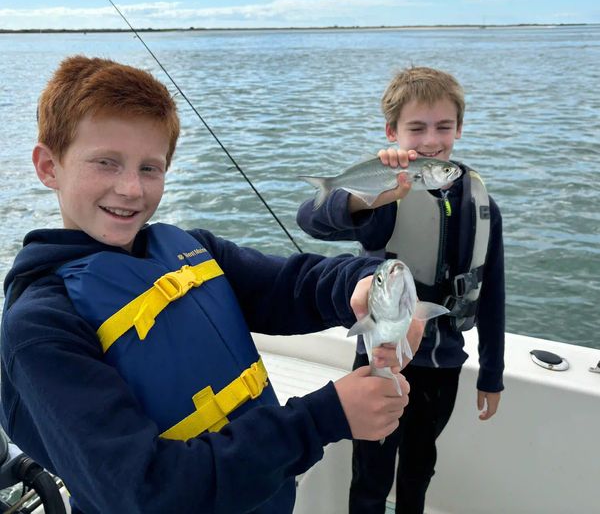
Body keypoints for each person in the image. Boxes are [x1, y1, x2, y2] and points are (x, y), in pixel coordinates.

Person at [0, 55, 421, 514]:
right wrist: (322, 419)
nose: (131, 189)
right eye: (105, 162)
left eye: (150, 168)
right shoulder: (41, 325)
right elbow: (143, 491)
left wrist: (364, 286)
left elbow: (288, 284)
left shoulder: (189, 249)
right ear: (48, 166)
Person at [296, 66, 505, 514]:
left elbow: (493, 293)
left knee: (418, 468)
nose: (431, 141)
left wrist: (492, 373)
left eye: (443, 127)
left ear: (459, 128)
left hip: (443, 363)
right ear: (392, 132)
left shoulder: (482, 201)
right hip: (381, 356)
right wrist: (363, 196)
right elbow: (310, 221)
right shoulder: (387, 193)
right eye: (416, 128)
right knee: (370, 473)